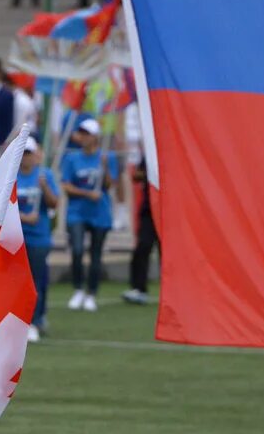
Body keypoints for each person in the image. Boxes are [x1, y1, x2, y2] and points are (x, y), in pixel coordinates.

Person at [61, 117, 117, 311]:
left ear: (95, 137)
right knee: (77, 250)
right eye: (81, 133)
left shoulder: (106, 157)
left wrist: (106, 167)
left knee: (96, 254)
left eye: (87, 134)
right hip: (77, 212)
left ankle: (91, 293)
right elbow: (66, 185)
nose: (82, 137)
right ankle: (78, 289)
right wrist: (86, 193)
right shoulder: (72, 158)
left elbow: (110, 185)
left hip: (100, 213)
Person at [15, 137, 59, 341]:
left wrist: (45, 188)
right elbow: (4, 207)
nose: (26, 158)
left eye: (29, 153)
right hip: (16, 237)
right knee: (18, 281)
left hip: (39, 237)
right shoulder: (12, 177)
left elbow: (54, 204)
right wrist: (24, 217)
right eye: (23, 153)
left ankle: (35, 319)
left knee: (36, 280)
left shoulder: (44, 175)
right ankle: (18, 319)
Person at [123, 153, 159, 306]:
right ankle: (138, 287)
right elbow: (136, 176)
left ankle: (175, 289)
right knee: (142, 247)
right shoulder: (149, 154)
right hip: (149, 210)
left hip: (170, 211)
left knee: (170, 253)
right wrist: (147, 173)